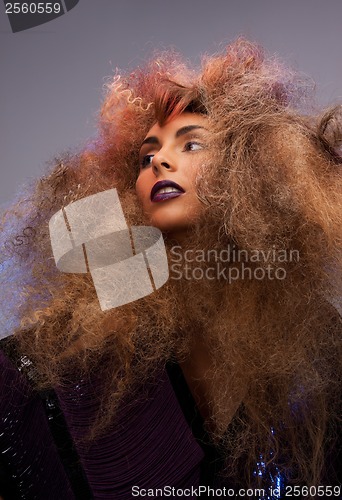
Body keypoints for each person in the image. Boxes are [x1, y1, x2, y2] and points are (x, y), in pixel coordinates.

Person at [0, 38, 341, 499]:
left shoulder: (319, 343)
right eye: (145, 157)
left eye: (192, 143)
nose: (159, 160)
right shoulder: (94, 334)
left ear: (253, 166)